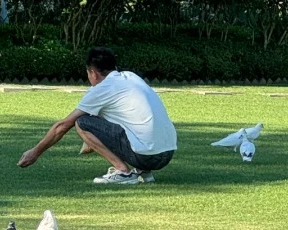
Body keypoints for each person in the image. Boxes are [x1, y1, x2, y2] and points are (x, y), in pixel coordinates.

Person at [18, 47, 177, 185]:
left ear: (92, 73)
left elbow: (63, 125)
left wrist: (35, 152)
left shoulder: (102, 89)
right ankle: (144, 172)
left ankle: (122, 171)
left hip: (146, 156)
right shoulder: (130, 77)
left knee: (81, 122)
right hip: (167, 153)